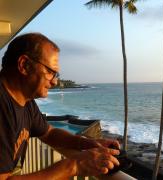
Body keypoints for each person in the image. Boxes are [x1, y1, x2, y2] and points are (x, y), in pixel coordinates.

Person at [0, 33, 120, 180]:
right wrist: (75, 165)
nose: (54, 82)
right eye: (50, 72)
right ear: (24, 65)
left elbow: (48, 133)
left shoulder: (25, 101)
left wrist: (86, 143)